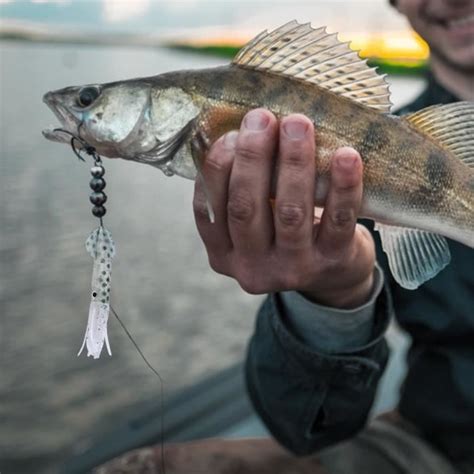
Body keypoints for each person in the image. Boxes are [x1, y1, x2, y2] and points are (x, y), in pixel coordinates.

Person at [95, 1, 473, 473]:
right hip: (441, 440)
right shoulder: (389, 154)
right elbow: (306, 428)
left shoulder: (409, 147)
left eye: (91, 100)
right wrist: (332, 296)